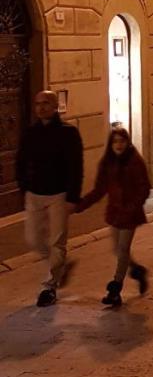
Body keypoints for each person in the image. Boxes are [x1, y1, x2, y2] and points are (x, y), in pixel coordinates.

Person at [16, 90, 83, 308]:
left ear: (55, 106)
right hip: (34, 193)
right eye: (38, 104)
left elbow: (76, 166)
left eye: (46, 103)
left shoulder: (68, 132)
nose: (41, 107)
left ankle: (50, 286)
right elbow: (21, 160)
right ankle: (60, 266)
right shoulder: (30, 133)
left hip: (59, 194)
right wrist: (23, 186)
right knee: (33, 239)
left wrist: (73, 197)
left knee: (57, 241)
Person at [75, 127, 150, 307]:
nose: (118, 145)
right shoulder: (107, 162)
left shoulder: (135, 161)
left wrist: (132, 207)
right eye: (115, 141)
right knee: (117, 250)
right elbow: (100, 189)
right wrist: (80, 205)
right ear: (111, 144)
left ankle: (115, 289)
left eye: (122, 141)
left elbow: (144, 188)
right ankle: (137, 270)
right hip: (115, 211)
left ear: (127, 142)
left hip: (130, 213)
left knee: (123, 249)